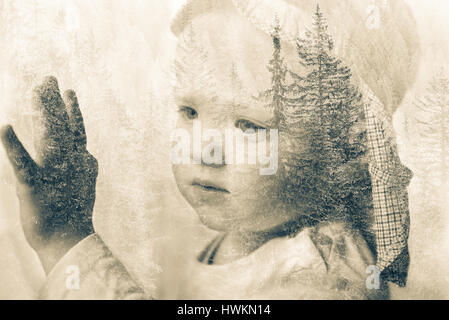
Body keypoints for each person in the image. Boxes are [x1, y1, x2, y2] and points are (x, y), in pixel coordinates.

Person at [0, 0, 419, 299]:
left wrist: (66, 241)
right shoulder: (247, 231)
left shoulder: (321, 279)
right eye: (191, 111)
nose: (204, 150)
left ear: (346, 147)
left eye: (250, 126)